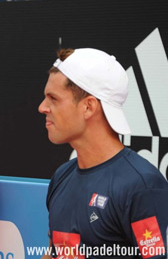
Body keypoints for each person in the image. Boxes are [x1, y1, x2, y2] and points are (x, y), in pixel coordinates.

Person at [39, 48, 168, 258]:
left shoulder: (142, 186)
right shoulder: (62, 176)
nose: (42, 107)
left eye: (53, 98)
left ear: (88, 107)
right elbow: (54, 253)